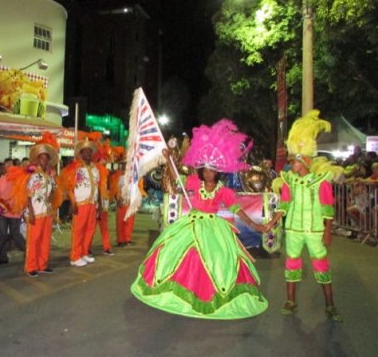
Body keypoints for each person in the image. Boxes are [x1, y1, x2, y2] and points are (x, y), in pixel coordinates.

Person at [130, 120, 268, 319]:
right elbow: (177, 179)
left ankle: (206, 295)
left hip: (214, 228)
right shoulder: (195, 181)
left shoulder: (224, 191)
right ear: (202, 171)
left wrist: (254, 224)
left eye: (212, 170)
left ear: (218, 172)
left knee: (217, 261)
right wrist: (169, 160)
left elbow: (237, 209)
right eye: (206, 170)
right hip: (191, 224)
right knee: (179, 255)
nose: (209, 173)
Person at [266, 110, 342, 322]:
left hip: (315, 230)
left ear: (306, 160)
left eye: (295, 160)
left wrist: (328, 232)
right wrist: (272, 222)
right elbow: (285, 205)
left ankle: (330, 305)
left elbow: (328, 208)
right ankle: (290, 301)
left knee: (321, 266)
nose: (291, 164)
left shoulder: (321, 181)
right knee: (292, 264)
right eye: (291, 160)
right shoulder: (289, 180)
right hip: (293, 230)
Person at [23, 133, 60, 276]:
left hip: (47, 212)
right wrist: (31, 212)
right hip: (36, 213)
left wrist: (52, 194)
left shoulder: (50, 177)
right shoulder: (33, 176)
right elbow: (28, 196)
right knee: (34, 240)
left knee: (45, 240)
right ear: (38, 160)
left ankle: (42, 265)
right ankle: (31, 266)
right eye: (42, 157)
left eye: (46, 158)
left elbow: (52, 193)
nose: (44, 160)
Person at [60, 137, 101, 267]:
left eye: (90, 152)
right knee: (78, 230)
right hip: (80, 204)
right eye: (86, 152)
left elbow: (97, 187)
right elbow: (69, 188)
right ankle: (74, 256)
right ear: (81, 154)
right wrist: (73, 204)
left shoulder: (95, 169)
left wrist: (98, 204)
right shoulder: (74, 168)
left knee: (90, 230)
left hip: (92, 204)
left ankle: (83, 253)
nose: (88, 154)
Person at [0, 159, 26, 266]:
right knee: (2, 234)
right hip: (3, 212)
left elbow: (24, 194)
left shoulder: (19, 179)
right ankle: (2, 257)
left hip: (15, 211)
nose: (8, 167)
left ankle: (29, 251)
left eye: (10, 165)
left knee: (15, 234)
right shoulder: (1, 179)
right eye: (6, 165)